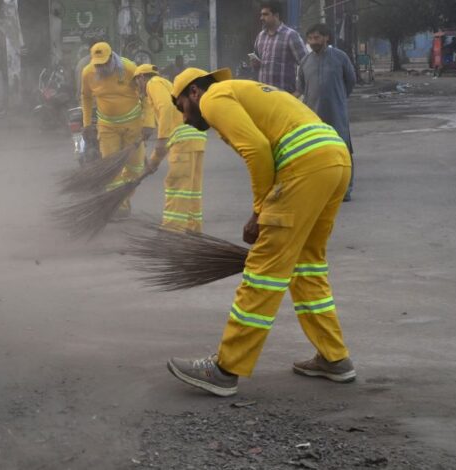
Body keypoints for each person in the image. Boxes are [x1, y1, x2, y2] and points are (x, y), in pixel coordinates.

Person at [166, 67, 354, 397]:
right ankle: (333, 357)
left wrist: (259, 210)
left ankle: (225, 369)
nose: (183, 118)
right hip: (334, 158)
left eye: (180, 106)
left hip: (305, 165)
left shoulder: (213, 97)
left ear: (194, 92)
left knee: (263, 270)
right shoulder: (243, 89)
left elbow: (256, 149)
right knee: (307, 265)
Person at [134, 64, 207, 232]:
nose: (137, 87)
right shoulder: (167, 85)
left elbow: (166, 107)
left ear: (141, 77)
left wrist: (161, 139)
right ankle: (193, 227)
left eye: (136, 82)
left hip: (183, 141)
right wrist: (154, 161)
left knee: (177, 186)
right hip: (196, 138)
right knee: (192, 188)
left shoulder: (153, 83)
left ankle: (172, 231)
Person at [81, 42, 146, 217]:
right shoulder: (88, 72)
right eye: (97, 64)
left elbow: (146, 94)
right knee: (111, 169)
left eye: (104, 63)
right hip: (107, 127)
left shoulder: (129, 68)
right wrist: (86, 124)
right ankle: (119, 205)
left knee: (136, 167)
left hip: (133, 125)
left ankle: (124, 196)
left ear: (112, 57)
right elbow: (86, 97)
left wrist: (149, 123)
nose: (101, 67)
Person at [297, 24, 357, 201]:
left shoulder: (340, 57)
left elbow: (350, 81)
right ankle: (319, 188)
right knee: (315, 152)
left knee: (343, 150)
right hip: (313, 116)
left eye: (317, 37)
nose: (314, 41)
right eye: (310, 38)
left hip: (336, 112)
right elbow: (301, 87)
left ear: (326, 38)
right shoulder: (305, 62)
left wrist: (338, 98)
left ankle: (345, 190)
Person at [251, 1, 308, 93]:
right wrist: (255, 64)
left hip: (284, 95)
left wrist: (299, 90)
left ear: (276, 15)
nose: (261, 18)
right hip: (263, 94)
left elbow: (306, 64)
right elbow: (257, 62)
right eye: (261, 15)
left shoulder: (291, 35)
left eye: (265, 14)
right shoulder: (261, 36)